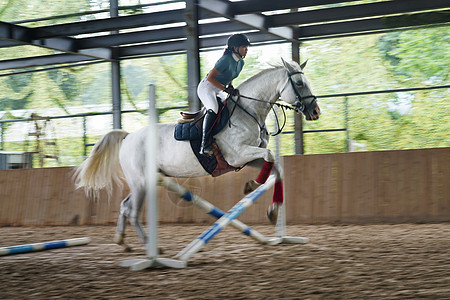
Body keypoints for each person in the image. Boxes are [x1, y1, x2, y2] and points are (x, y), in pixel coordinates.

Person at [197, 33, 250, 156]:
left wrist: (230, 86)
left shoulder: (241, 63)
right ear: (235, 48)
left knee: (228, 107)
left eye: (247, 47)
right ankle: (204, 144)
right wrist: (225, 89)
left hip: (219, 89)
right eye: (244, 47)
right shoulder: (225, 60)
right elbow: (211, 78)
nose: (246, 50)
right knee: (214, 109)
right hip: (207, 87)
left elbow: (231, 76)